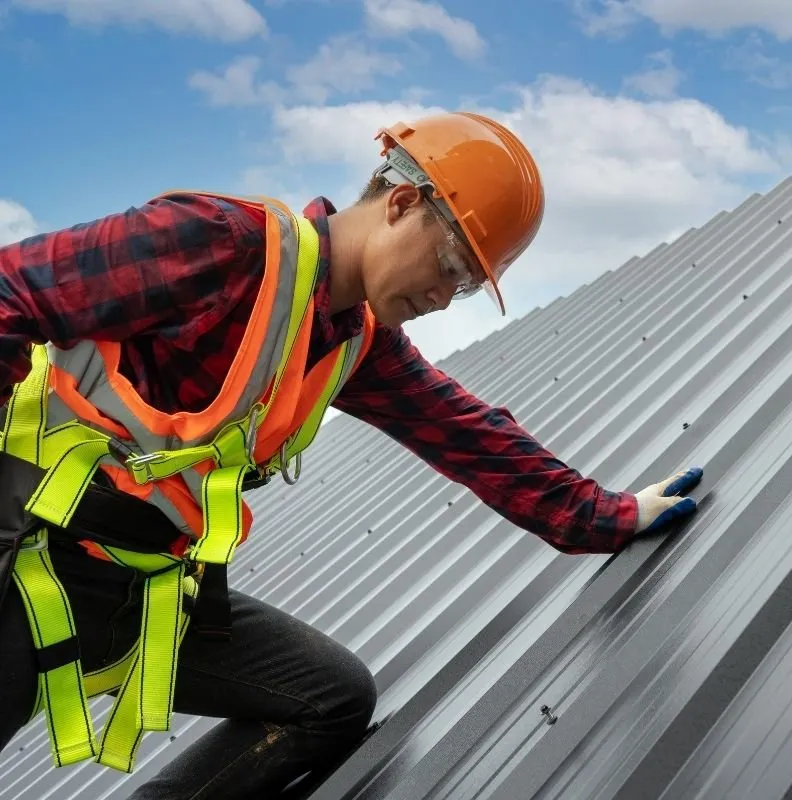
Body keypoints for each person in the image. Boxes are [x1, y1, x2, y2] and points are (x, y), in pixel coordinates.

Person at [0, 111, 702, 799]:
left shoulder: (353, 342)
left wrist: (609, 515)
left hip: (134, 582)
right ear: (401, 203)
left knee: (329, 700)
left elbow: (470, 434)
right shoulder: (222, 242)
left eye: (464, 286)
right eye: (449, 265)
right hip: (27, 554)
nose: (443, 297)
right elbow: (10, 290)